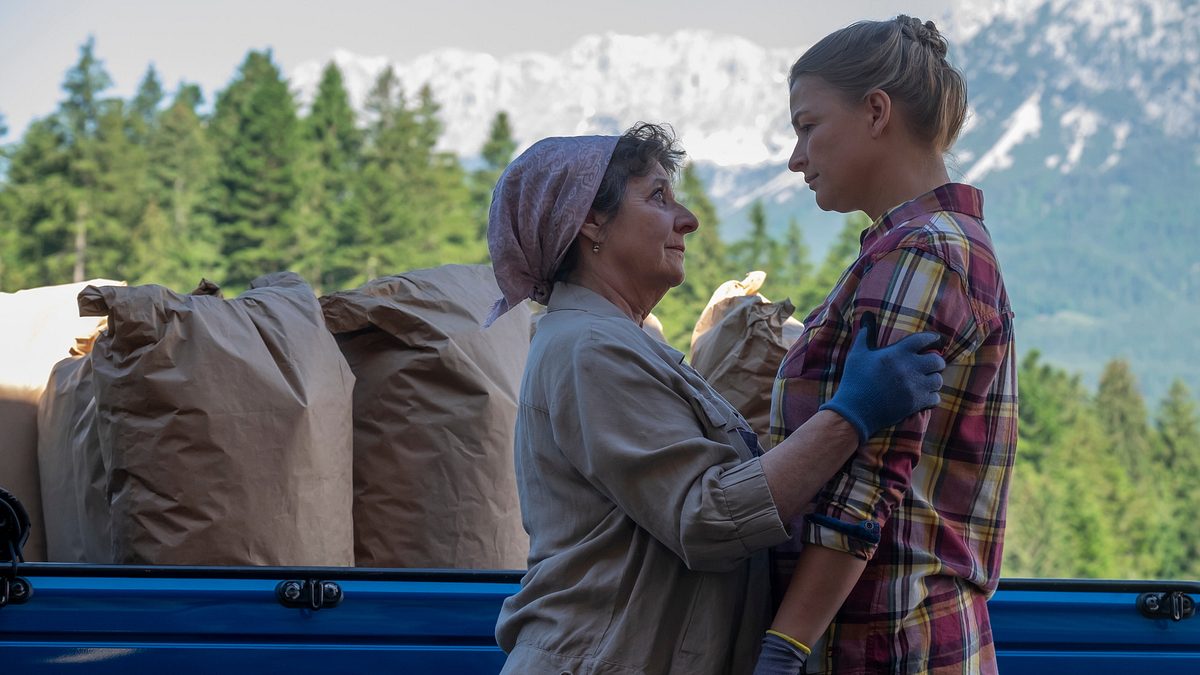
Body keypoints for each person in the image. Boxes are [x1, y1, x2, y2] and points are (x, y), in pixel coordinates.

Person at [485, 123, 946, 675]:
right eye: (658, 196)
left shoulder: (618, 342)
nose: (688, 220)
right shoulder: (589, 349)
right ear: (590, 221)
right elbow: (708, 518)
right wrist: (852, 415)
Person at [756, 16, 1018, 675]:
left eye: (807, 126)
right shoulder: (923, 246)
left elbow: (867, 479)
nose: (795, 157)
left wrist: (781, 648)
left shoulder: (925, 252)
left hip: (892, 644)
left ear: (876, 111)